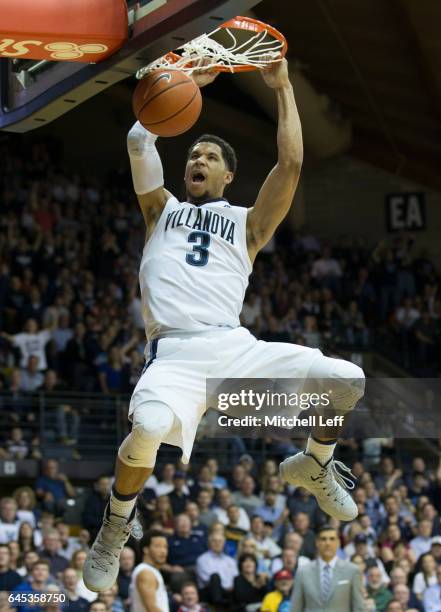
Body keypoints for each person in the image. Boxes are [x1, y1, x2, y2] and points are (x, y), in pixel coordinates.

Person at [83, 56, 365, 593]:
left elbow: (291, 166)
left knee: (347, 379)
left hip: (235, 353)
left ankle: (316, 464)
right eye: (193, 152)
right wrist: (184, 85)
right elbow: (140, 143)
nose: (198, 158)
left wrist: (282, 88)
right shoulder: (160, 208)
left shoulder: (248, 223)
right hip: (176, 356)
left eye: (210, 155)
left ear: (227, 175)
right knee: (145, 432)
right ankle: (115, 524)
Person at [290, 525, 365, 611]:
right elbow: (296, 608)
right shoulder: (303, 572)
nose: (327, 543)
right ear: (317, 542)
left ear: (338, 542)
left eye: (332, 539)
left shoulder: (352, 570)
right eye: (323, 539)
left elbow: (359, 607)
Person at [129, 530, 169, 612]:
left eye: (165, 547)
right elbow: (152, 608)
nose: (163, 551)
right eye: (158, 546)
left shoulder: (151, 571)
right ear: (146, 549)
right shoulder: (145, 573)